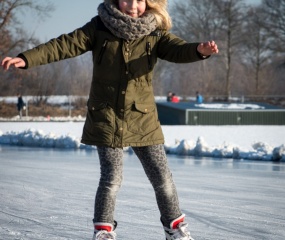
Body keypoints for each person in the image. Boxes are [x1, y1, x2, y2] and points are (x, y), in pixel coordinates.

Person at [1, 0, 219, 239]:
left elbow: (179, 50)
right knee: (111, 178)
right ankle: (103, 231)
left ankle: (174, 228)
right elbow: (64, 45)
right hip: (107, 116)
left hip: (142, 118)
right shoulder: (100, 27)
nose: (133, 6)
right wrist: (27, 58)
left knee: (162, 177)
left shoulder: (155, 32)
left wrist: (200, 51)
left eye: (139, 0)